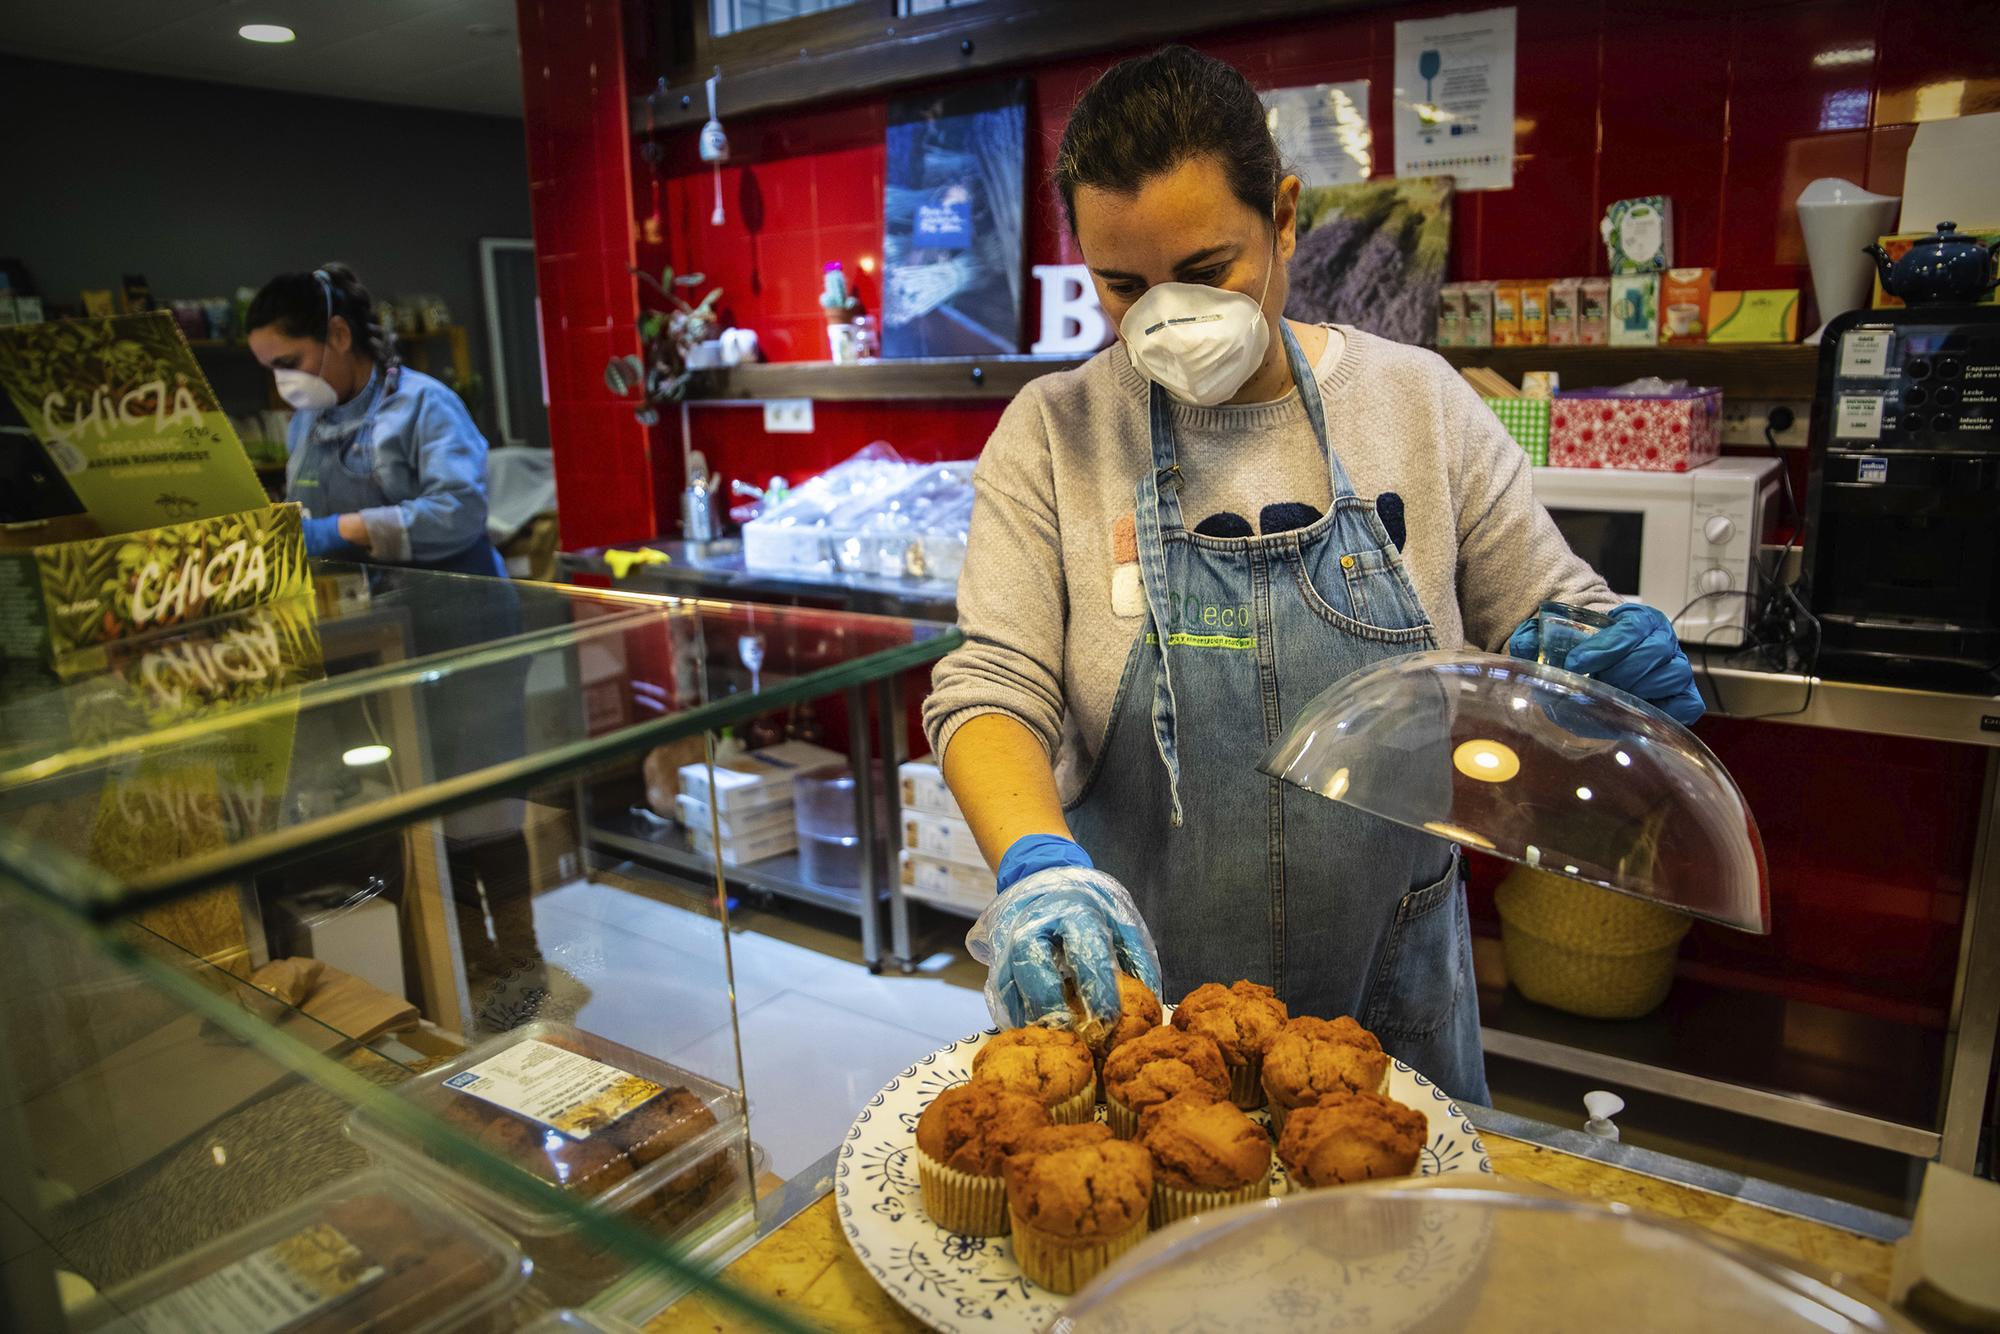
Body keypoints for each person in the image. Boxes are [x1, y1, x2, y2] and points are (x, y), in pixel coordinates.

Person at [924, 47, 1705, 1103]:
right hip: (1143, 1011)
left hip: (1391, 1000)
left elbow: (1552, 614)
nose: (1166, 316)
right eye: (1121, 285)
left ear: (1284, 217)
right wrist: (1036, 864)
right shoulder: (1053, 433)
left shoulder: (1417, 406)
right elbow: (991, 686)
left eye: (1206, 271)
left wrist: (1591, 654)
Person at [246, 263, 504, 575]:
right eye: (271, 368)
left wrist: (341, 530)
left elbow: (459, 513)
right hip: (369, 608)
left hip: (453, 601)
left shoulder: (423, 404)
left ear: (339, 335)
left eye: (289, 362)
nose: (282, 380)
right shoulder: (305, 423)